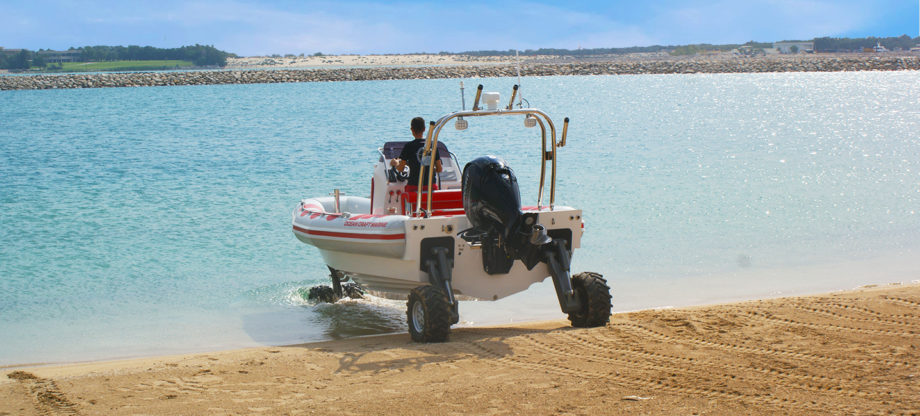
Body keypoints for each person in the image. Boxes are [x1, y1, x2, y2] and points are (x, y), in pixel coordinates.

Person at [390, 117, 443, 189]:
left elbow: (401, 169)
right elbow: (439, 169)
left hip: (414, 187)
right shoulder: (432, 145)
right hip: (431, 187)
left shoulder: (409, 146)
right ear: (424, 129)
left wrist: (395, 164)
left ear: (412, 129)